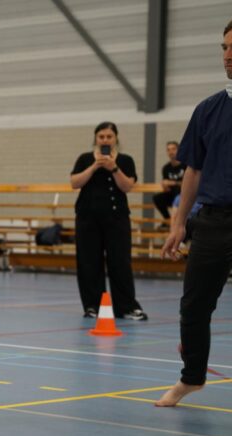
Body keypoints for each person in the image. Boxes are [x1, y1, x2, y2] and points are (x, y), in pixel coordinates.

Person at [156, 16, 232, 408]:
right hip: (212, 220)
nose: (228, 56)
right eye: (224, 48)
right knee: (193, 305)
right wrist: (178, 225)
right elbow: (193, 170)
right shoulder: (209, 109)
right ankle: (192, 378)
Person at [70, 121, 148, 320]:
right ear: (96, 139)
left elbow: (127, 186)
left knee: (120, 262)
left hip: (117, 218)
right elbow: (74, 182)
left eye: (109, 136)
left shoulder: (125, 160)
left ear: (116, 139)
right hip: (87, 218)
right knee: (89, 263)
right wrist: (95, 166)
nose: (105, 140)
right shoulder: (85, 158)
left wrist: (114, 168)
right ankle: (92, 306)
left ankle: (127, 307)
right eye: (101, 136)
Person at [152, 141, 186, 228]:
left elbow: (187, 184)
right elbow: (166, 186)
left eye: (173, 149)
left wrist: (173, 183)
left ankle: (179, 222)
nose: (171, 152)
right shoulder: (166, 168)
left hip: (184, 196)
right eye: (168, 150)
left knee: (177, 190)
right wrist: (165, 185)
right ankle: (167, 219)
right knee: (157, 198)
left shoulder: (185, 166)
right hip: (172, 195)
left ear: (179, 150)